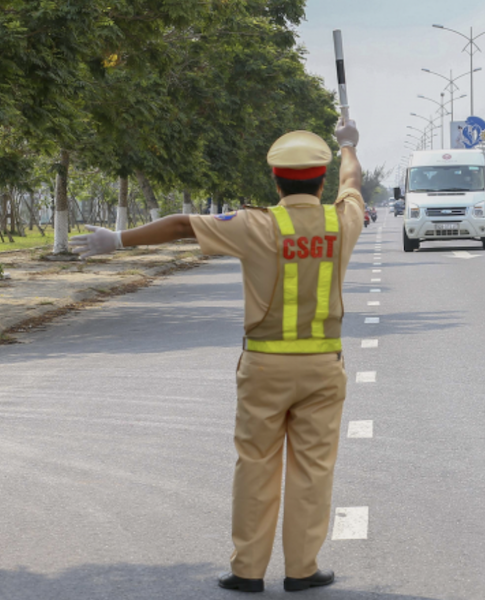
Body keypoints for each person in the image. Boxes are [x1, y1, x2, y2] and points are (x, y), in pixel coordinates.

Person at [70, 119, 364, 594]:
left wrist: (118, 240)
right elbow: (353, 181)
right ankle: (302, 570)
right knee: (314, 470)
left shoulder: (254, 224)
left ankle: (248, 571)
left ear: (275, 179)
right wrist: (348, 144)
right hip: (322, 366)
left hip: (264, 367)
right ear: (322, 179)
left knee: (255, 464)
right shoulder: (343, 220)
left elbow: (184, 225)